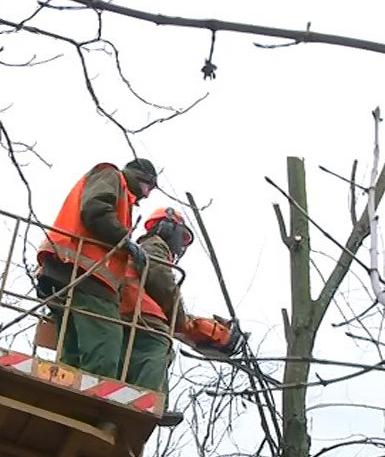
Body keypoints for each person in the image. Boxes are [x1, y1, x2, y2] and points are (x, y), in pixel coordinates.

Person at [118, 207, 245, 426]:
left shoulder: (141, 248)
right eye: (182, 237)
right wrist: (179, 318)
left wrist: (188, 324)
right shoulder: (154, 245)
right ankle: (146, 402)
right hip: (135, 307)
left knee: (145, 347)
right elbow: (162, 283)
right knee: (158, 344)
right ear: (167, 228)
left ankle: (131, 395)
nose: (182, 244)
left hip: (134, 306)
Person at [35, 158, 158, 378]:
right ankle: (91, 406)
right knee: (105, 351)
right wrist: (125, 241)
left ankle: (64, 398)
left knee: (72, 354)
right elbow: (95, 209)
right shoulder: (112, 176)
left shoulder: (121, 195)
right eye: (148, 186)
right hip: (86, 275)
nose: (147, 194)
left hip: (64, 271)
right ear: (138, 177)